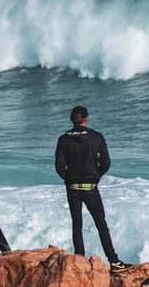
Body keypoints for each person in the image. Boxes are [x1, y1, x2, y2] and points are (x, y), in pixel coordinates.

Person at [55, 105, 131, 273]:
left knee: (77, 225)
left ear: (71, 119)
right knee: (101, 225)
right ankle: (114, 261)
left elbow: (59, 166)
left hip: (72, 187)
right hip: (91, 187)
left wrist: (68, 179)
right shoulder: (96, 137)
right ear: (86, 118)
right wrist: (95, 177)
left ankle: (80, 260)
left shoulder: (64, 139)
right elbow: (106, 163)